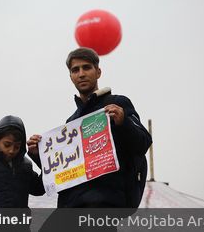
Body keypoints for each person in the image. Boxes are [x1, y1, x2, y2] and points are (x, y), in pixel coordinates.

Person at [27, 47, 152, 208]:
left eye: (86, 67)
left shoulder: (117, 103)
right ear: (71, 76)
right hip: (69, 206)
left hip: (104, 204)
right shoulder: (71, 122)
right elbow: (63, 172)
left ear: (98, 72)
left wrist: (123, 122)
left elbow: (143, 143)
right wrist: (39, 155)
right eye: (75, 70)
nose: (81, 74)